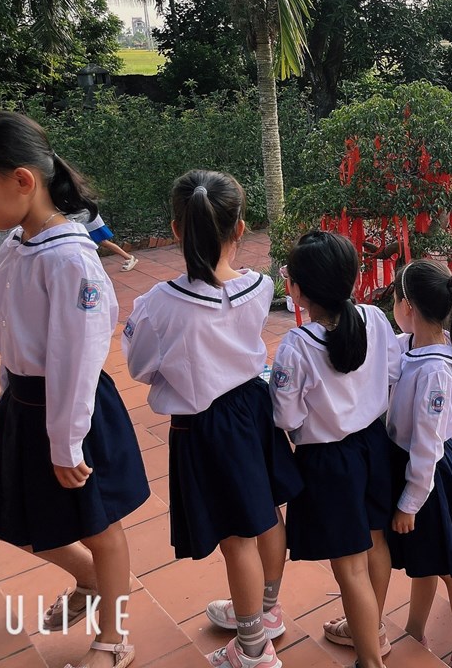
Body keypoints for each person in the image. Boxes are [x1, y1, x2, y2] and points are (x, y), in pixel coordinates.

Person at [0, 112, 148, 668]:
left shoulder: (71, 259)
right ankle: (95, 580)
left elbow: (79, 355)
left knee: (99, 526)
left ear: (22, 180)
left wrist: (67, 440)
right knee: (7, 516)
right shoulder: (17, 243)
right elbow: (8, 325)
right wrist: (9, 391)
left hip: (72, 410)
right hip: (25, 405)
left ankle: (114, 638)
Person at [123, 170, 302, 668]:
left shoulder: (160, 304)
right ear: (240, 228)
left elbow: (140, 366)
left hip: (207, 426)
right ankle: (266, 611)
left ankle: (253, 649)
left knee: (235, 535)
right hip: (254, 407)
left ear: (176, 230)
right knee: (267, 513)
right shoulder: (259, 286)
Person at [269, 231, 403, 668]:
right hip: (374, 446)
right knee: (376, 542)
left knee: (349, 567)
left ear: (297, 291)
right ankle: (372, 630)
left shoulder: (297, 346)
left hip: (329, 462)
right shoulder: (374, 318)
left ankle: (371, 660)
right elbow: (392, 373)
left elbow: (286, 417)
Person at [388, 260, 452, 668]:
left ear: (408, 306)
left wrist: (409, 502)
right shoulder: (417, 345)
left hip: (429, 476)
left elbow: (428, 444)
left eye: (395, 299)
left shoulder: (434, 372)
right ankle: (415, 629)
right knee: (428, 558)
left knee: (451, 565)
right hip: (421, 468)